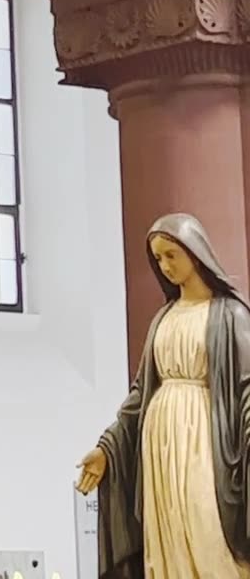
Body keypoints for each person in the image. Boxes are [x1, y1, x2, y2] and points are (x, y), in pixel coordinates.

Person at [76, 213, 250, 578]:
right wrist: (107, 448)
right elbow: (140, 395)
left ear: (195, 251)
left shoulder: (231, 315)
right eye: (158, 259)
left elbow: (248, 388)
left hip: (207, 445)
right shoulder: (164, 318)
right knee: (167, 538)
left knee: (209, 530)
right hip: (160, 449)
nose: (165, 265)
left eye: (172, 254)